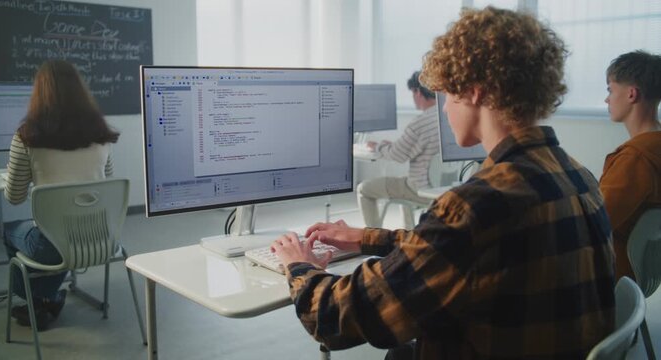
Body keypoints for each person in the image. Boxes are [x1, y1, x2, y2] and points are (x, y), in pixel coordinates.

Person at [270, 6, 615, 359]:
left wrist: (299, 264)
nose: (445, 109)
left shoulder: (477, 205)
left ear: (475, 92)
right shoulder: (578, 175)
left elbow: (336, 318)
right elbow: (469, 248)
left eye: (447, 95)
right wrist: (366, 237)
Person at [3, 60, 119, 331]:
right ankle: (48, 299)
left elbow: (14, 197)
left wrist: (20, 172)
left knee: (11, 232)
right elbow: (108, 183)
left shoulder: (26, 137)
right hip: (103, 239)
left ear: (38, 92)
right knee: (64, 234)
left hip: (54, 246)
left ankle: (39, 300)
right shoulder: (101, 135)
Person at [600, 50, 661, 280]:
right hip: (635, 274)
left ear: (632, 94)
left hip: (611, 273)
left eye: (610, 90)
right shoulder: (655, 147)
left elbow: (594, 224)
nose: (607, 99)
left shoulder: (636, 159)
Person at [357, 71, 439, 228]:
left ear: (417, 91)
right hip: (442, 187)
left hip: (420, 189)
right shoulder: (446, 116)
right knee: (404, 181)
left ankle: (373, 237)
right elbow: (409, 148)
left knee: (364, 188)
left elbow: (398, 155)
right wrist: (392, 145)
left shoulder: (419, 123)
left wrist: (379, 146)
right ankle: (408, 232)